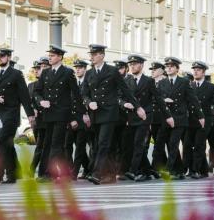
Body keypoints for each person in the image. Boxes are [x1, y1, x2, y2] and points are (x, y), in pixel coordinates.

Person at [82, 44, 141, 185]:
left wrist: (138, 107)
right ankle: (110, 174)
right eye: (91, 54)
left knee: (103, 143)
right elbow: (84, 93)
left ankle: (96, 173)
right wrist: (89, 102)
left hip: (109, 112)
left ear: (102, 55)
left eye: (94, 54)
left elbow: (125, 90)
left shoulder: (112, 71)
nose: (91, 57)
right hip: (95, 113)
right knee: (99, 145)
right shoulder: (89, 73)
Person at [33, 45, 84, 181]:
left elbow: (76, 94)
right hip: (48, 113)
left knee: (55, 144)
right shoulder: (45, 73)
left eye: (53, 55)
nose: (50, 57)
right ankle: (64, 172)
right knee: (48, 144)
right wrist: (41, 101)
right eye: (49, 55)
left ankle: (49, 174)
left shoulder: (67, 72)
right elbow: (37, 92)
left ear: (60, 57)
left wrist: (80, 114)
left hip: (62, 113)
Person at [120, 55, 173, 182]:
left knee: (139, 144)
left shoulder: (148, 81)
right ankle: (148, 170)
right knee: (130, 144)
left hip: (145, 116)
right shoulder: (127, 80)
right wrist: (123, 104)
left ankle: (133, 171)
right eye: (130, 64)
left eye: (135, 64)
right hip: (131, 116)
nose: (132, 66)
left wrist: (168, 116)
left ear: (141, 65)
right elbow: (119, 97)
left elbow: (159, 99)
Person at [0, 48, 35, 184]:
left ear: (8, 57)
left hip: (11, 114)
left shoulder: (16, 74)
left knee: (2, 142)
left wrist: (30, 115)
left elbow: (24, 96)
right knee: (7, 145)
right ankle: (13, 174)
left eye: (2, 56)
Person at [156, 57, 203, 179]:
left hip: (180, 118)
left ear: (177, 69)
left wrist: (200, 116)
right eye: (167, 66)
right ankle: (179, 169)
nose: (169, 68)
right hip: (166, 117)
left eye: (171, 66)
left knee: (173, 143)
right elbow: (156, 99)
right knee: (162, 144)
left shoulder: (183, 82)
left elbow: (193, 99)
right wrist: (163, 100)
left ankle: (169, 169)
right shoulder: (161, 83)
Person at [185, 61, 214, 179]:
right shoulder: (189, 85)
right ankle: (202, 169)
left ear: (203, 72)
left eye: (198, 70)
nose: (195, 71)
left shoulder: (210, 87)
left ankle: (195, 170)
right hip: (191, 119)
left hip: (205, 119)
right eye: (194, 69)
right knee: (187, 145)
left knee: (199, 145)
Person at [65, 59, 92, 179]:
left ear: (85, 69)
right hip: (72, 118)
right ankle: (87, 168)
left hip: (84, 118)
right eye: (76, 68)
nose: (78, 70)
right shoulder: (73, 82)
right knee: (68, 145)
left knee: (80, 146)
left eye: (80, 67)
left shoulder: (89, 82)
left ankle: (74, 173)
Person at [29, 58, 49, 176]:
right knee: (40, 145)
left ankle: (33, 169)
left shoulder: (49, 83)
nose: (37, 71)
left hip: (48, 118)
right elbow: (28, 101)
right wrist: (32, 110)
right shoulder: (31, 85)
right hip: (37, 120)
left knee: (43, 145)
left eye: (39, 68)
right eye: (35, 69)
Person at [148, 62, 168, 172]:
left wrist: (163, 100)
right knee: (157, 142)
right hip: (153, 117)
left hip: (164, 117)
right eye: (151, 69)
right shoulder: (151, 82)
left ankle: (154, 167)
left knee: (160, 143)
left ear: (161, 71)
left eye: (154, 69)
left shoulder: (166, 82)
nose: (152, 71)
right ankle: (164, 165)